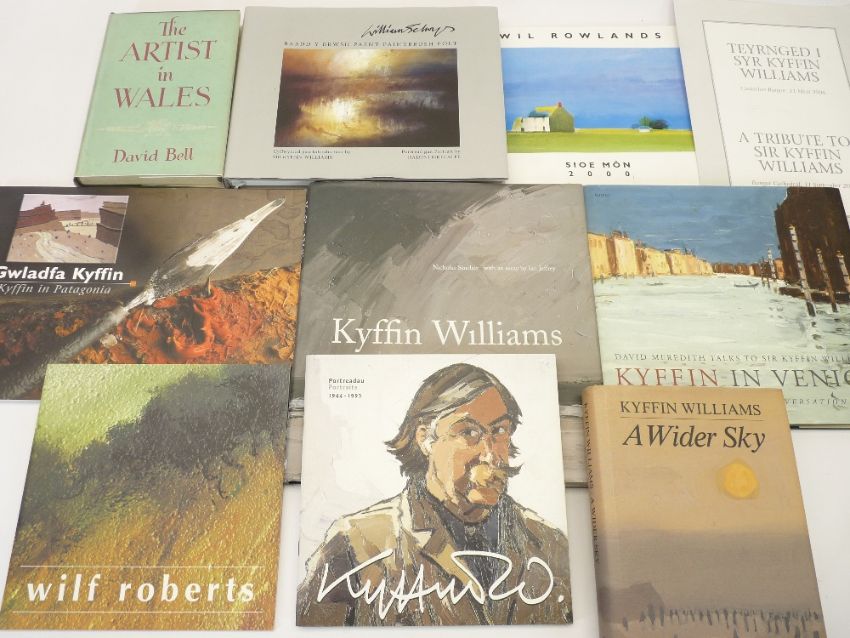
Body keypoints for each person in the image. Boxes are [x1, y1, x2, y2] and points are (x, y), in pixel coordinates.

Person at [297, 363, 572, 626]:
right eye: (469, 432)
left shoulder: (549, 544)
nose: (491, 454)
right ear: (425, 439)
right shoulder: (358, 542)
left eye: (500, 431)